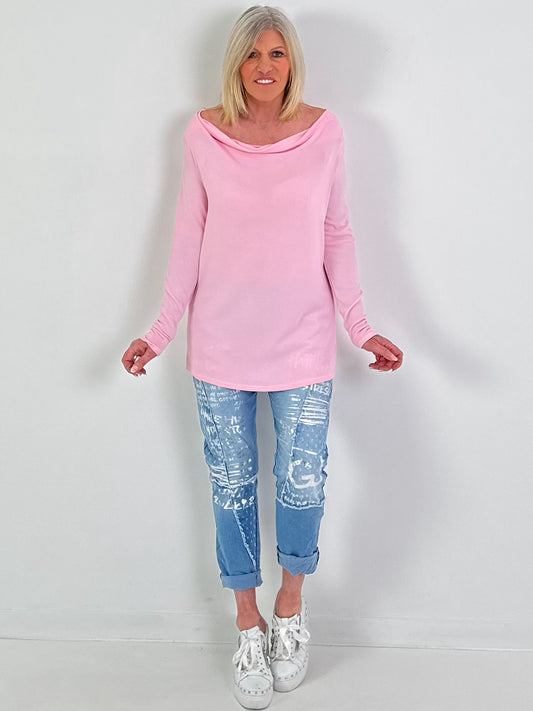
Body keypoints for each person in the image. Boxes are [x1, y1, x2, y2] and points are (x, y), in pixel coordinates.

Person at [122, 5, 403, 709]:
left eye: (276, 53)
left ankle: (290, 606)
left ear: (291, 61)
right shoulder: (203, 134)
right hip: (220, 345)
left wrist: (360, 325)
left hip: (303, 342)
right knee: (232, 488)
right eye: (252, 54)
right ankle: (246, 624)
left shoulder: (324, 131)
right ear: (236, 64)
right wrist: (159, 330)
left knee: (302, 484)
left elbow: (336, 232)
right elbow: (187, 236)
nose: (264, 66)